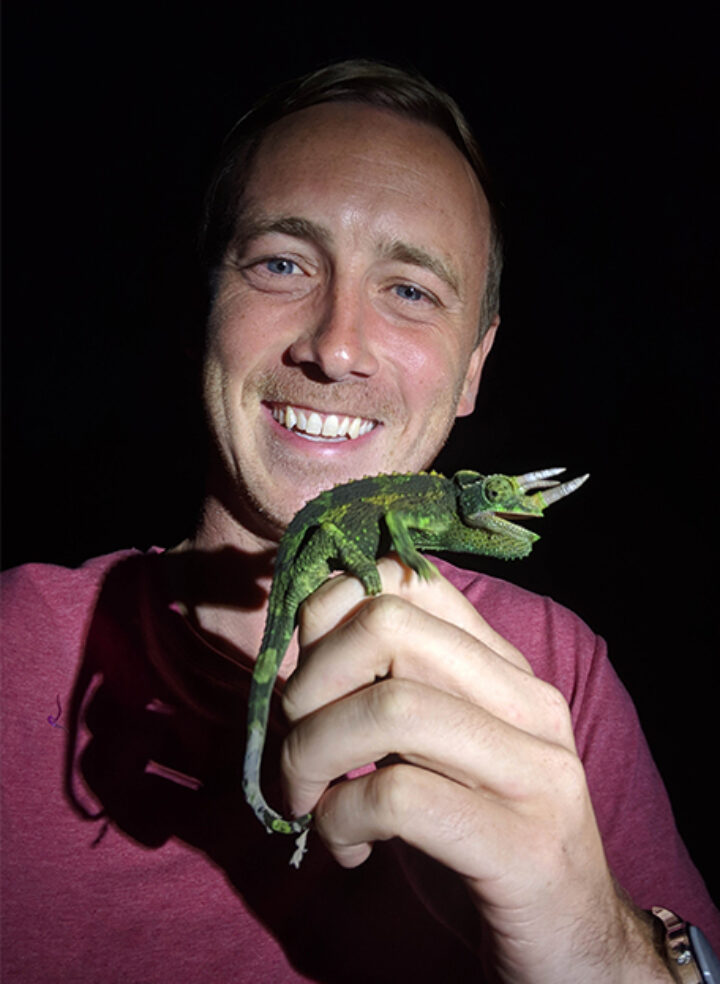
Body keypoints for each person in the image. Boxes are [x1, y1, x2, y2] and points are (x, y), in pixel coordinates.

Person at [2, 60, 718, 983]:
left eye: (411, 290)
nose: (336, 346)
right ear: (200, 308)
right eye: (281, 263)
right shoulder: (19, 638)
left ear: (473, 371)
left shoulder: (564, 675)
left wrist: (597, 944)